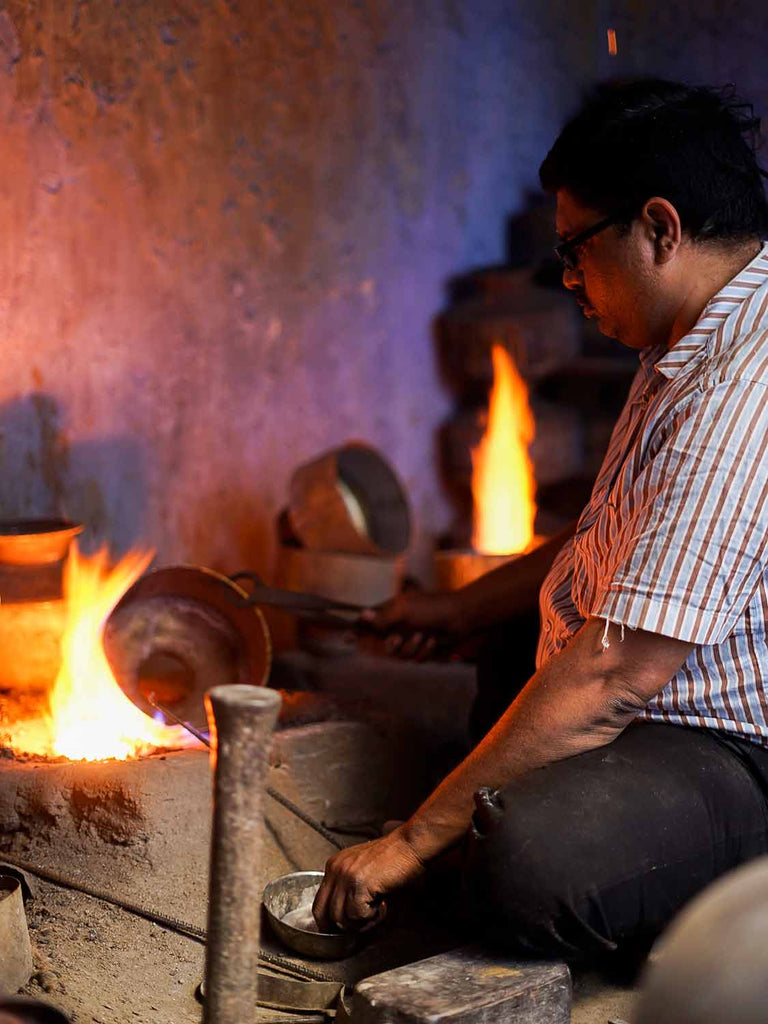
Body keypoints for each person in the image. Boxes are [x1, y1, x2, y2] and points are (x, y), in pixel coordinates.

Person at [313, 79, 768, 964]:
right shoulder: (687, 334)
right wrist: (461, 607)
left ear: (661, 229)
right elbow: (619, 530)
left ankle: (723, 932)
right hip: (654, 706)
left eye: (576, 251)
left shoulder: (747, 385)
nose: (567, 279)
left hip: (742, 752)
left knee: (526, 862)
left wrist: (410, 842)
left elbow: (618, 675)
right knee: (500, 671)